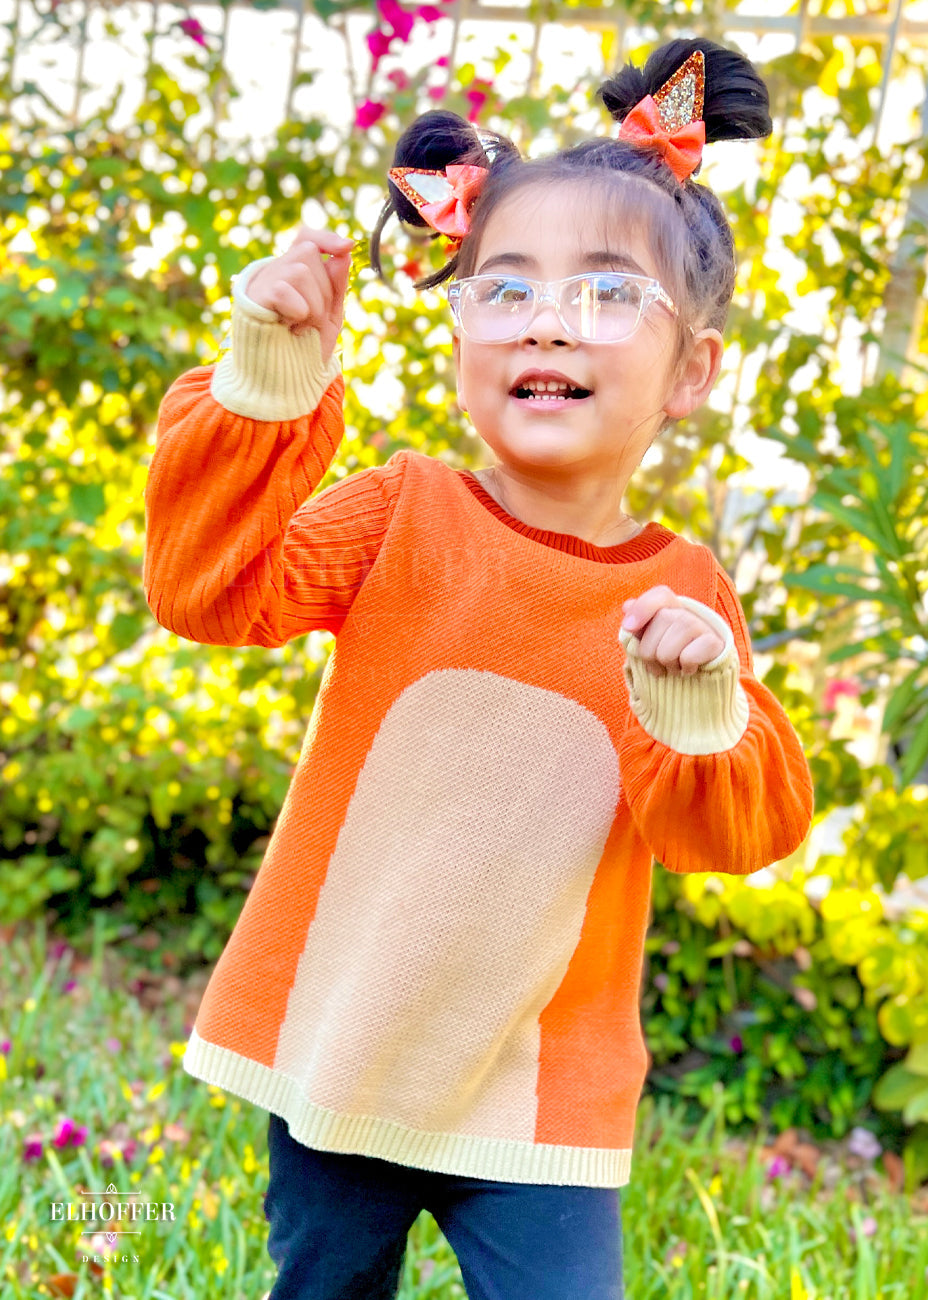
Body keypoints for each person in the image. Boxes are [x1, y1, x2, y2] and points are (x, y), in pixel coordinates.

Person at [143, 36, 814, 1300]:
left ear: (692, 371)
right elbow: (209, 592)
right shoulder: (402, 514)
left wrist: (697, 704)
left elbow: (730, 834)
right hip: (347, 1047)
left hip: (541, 1096)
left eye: (607, 293)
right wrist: (271, 377)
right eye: (503, 289)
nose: (548, 320)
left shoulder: (682, 596)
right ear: (460, 330)